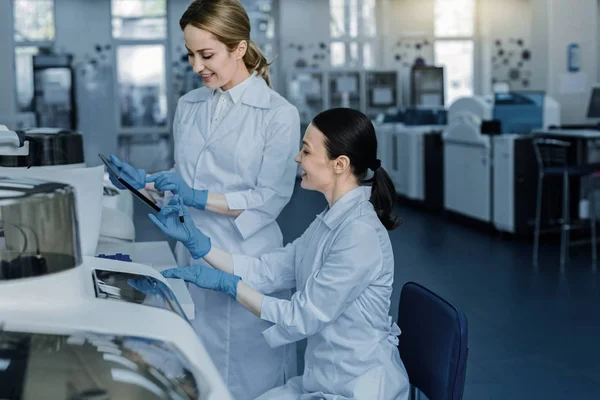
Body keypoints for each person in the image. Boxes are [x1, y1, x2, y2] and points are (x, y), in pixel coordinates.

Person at [106, 0, 300, 398]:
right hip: (191, 252)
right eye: (191, 54)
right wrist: (145, 186)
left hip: (248, 255)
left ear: (240, 48)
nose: (197, 66)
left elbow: (269, 198)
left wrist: (196, 196)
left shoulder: (278, 114)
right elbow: (185, 180)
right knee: (197, 369)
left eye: (207, 55)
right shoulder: (189, 106)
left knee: (250, 377)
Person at [150, 108, 411, 400]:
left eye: (306, 151)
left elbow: (302, 315)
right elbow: (269, 269)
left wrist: (232, 287)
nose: (297, 158)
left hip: (357, 387)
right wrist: (200, 245)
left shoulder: (358, 234)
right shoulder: (330, 220)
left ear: (339, 164)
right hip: (324, 378)